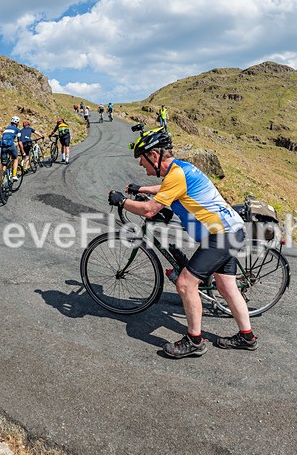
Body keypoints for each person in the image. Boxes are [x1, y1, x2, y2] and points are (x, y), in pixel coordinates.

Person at [108, 128, 255, 359]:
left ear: (154, 156)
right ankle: (247, 337)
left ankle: (194, 341)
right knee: (227, 287)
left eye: (142, 159)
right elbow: (166, 189)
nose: (140, 165)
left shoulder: (176, 175)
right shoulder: (181, 169)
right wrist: (142, 188)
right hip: (231, 230)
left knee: (185, 284)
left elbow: (149, 210)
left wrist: (122, 201)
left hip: (221, 235)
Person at [0, 116, 23, 181]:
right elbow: (19, 142)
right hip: (10, 145)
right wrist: (22, 152)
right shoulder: (17, 130)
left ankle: (1, 180)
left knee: (4, 163)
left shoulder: (6, 129)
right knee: (15, 158)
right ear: (17, 123)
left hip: (3, 146)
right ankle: (14, 175)